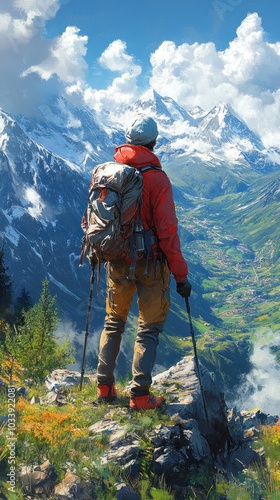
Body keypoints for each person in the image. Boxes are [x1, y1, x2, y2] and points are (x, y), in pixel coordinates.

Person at [96, 113, 191, 409]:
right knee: (148, 329)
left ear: (127, 141)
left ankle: (104, 388)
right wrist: (181, 276)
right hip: (150, 264)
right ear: (154, 141)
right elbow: (167, 233)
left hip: (117, 260)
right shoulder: (157, 179)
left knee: (114, 322)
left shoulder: (108, 174)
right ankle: (139, 396)